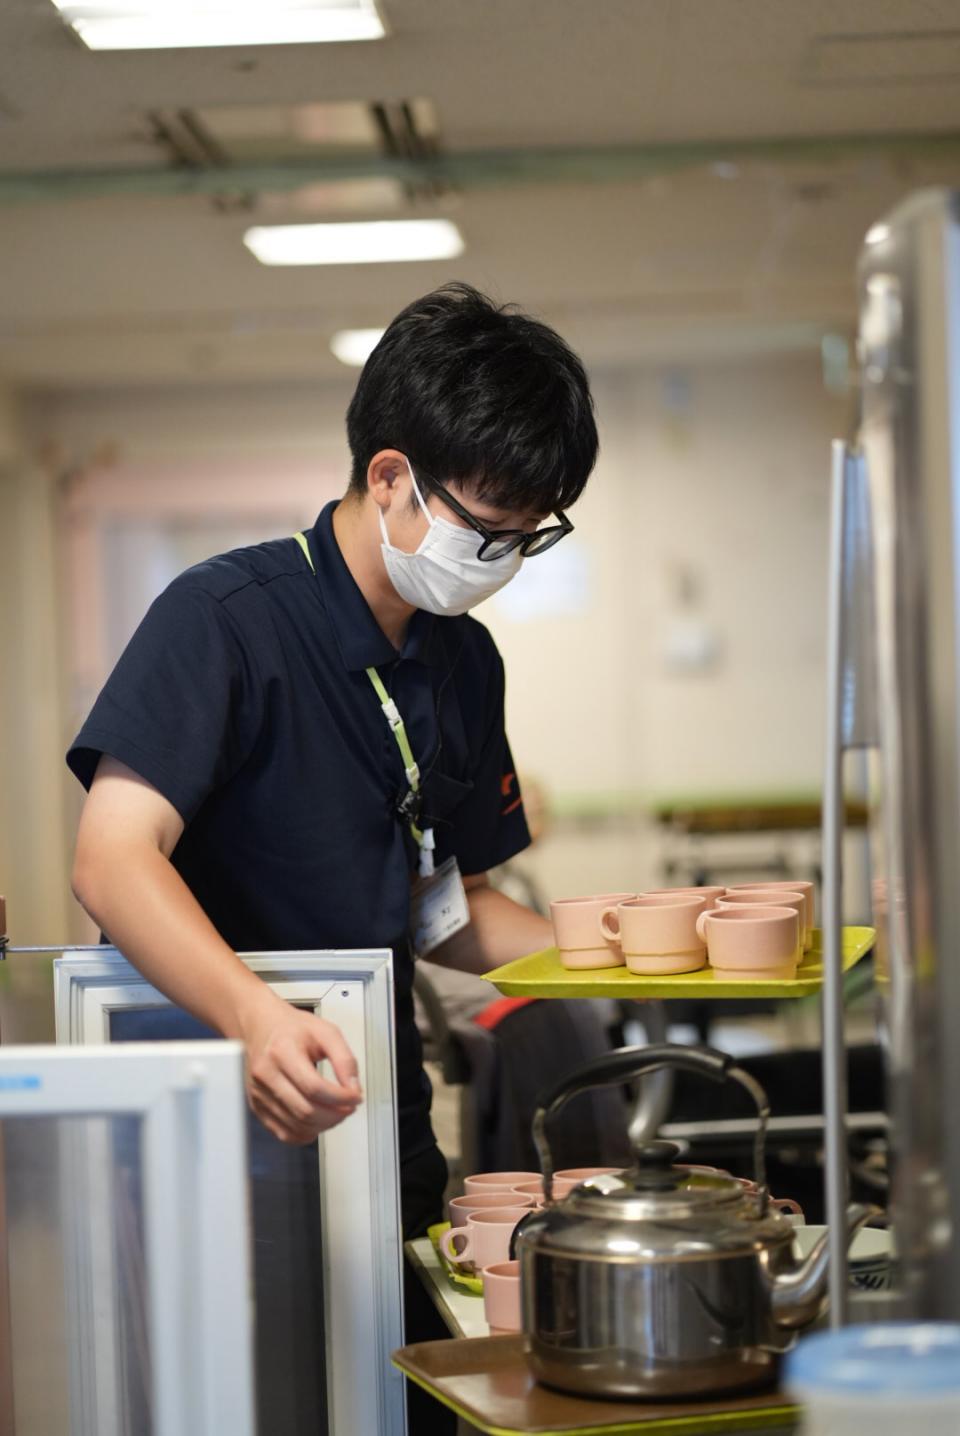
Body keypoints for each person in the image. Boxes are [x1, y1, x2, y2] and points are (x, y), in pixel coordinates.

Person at [67, 282, 599, 1428]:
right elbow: (114, 859)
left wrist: (628, 950)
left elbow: (441, 909)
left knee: (397, 1401)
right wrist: (255, 1014)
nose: (503, 556)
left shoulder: (459, 663)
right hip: (215, 1111)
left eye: (531, 534)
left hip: (378, 1121)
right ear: (390, 476)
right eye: (488, 526)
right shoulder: (226, 620)